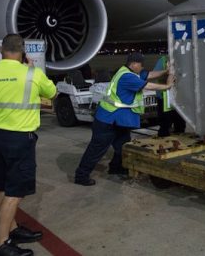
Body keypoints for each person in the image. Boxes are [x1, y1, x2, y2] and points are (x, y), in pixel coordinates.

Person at [0, 34, 57, 256]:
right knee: (15, 192)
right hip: (19, 139)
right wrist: (32, 68)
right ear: (23, 52)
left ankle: (13, 229)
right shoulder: (32, 74)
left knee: (3, 186)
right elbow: (52, 93)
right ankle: (1, 244)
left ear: (0, 51)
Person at [74, 52, 174, 186]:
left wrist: (166, 71)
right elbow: (148, 85)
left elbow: (149, 75)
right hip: (107, 120)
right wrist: (167, 86)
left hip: (118, 120)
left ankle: (116, 168)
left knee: (122, 145)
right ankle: (81, 175)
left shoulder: (129, 71)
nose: (142, 67)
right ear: (133, 64)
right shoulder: (127, 77)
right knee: (97, 149)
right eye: (141, 64)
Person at [153, 54, 186, 137]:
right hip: (164, 97)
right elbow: (155, 74)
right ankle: (164, 142)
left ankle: (179, 142)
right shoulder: (164, 60)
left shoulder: (184, 58)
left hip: (179, 97)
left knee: (180, 122)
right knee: (165, 124)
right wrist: (169, 76)